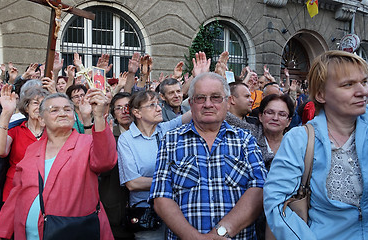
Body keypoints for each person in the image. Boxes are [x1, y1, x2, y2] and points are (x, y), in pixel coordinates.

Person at [264, 50, 368, 239]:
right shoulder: (299, 139)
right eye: (348, 85)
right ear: (321, 94)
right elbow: (276, 204)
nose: (363, 91)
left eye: (364, 82)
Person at [150, 72, 267, 240]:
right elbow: (161, 197)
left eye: (216, 97)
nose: (208, 104)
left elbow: (259, 189)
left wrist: (221, 232)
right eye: (200, 98)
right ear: (190, 103)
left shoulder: (245, 140)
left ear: (227, 102)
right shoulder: (170, 140)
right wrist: (195, 238)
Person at [0, 88, 117, 240]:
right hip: (29, 233)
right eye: (54, 110)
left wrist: (97, 116)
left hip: (73, 232)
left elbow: (105, 162)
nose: (62, 113)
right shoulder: (33, 149)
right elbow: (17, 193)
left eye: (67, 109)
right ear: (42, 119)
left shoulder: (88, 143)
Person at [117, 90, 191, 240]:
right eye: (152, 105)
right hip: (147, 214)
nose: (159, 108)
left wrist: (200, 78)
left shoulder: (165, 130)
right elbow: (133, 183)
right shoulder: (126, 140)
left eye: (159, 104)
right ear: (137, 112)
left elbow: (193, 112)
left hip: (176, 210)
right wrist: (176, 181)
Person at [0, 86, 49, 202]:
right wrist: (6, 114)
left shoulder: (53, 132)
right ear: (26, 108)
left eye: (43, 104)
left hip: (44, 192)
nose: (39, 107)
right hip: (15, 192)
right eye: (36, 103)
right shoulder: (16, 130)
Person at [99, 92, 135, 240]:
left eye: (127, 107)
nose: (124, 111)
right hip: (115, 207)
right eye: (118, 108)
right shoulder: (108, 135)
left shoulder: (150, 133)